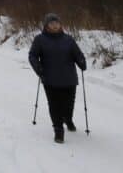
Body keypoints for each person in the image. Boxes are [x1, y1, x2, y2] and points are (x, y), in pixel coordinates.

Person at [28, 13, 86, 144]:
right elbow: (32, 56)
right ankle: (58, 130)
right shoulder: (40, 40)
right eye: (51, 23)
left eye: (56, 23)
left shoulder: (69, 40)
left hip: (69, 78)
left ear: (60, 24)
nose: (54, 25)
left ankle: (68, 119)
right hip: (50, 78)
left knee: (68, 104)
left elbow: (78, 54)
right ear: (46, 25)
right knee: (55, 105)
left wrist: (81, 61)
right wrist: (38, 68)